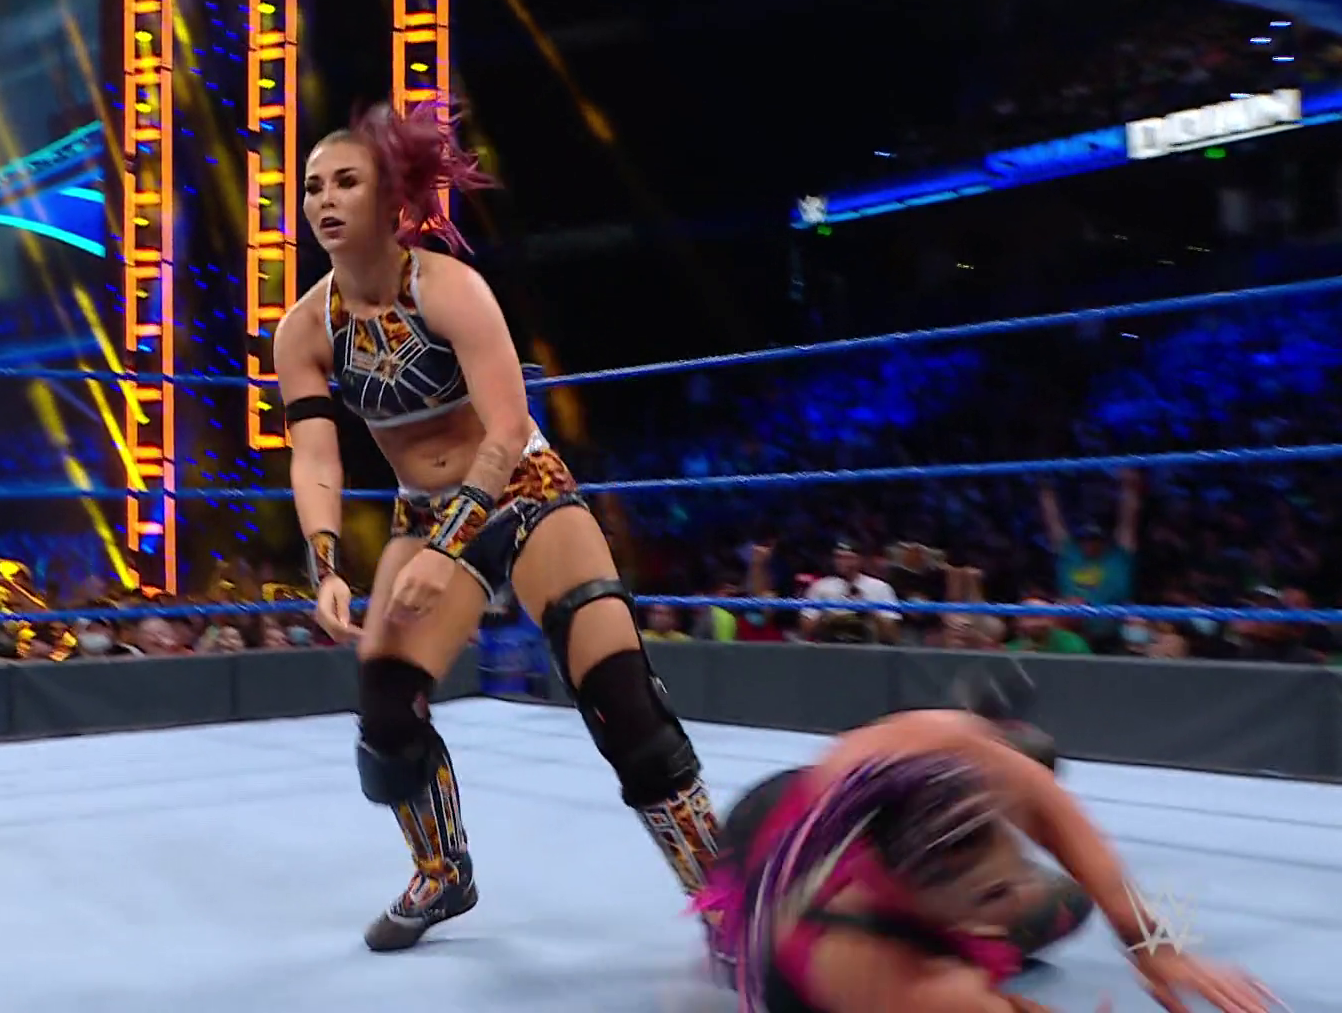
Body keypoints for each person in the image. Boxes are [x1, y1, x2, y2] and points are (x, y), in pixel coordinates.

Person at [273, 98, 723, 952]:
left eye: (345, 182)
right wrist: (325, 565)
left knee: (624, 704)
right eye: (312, 187)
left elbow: (509, 428)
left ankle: (725, 898)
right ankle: (443, 872)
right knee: (386, 714)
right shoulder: (303, 330)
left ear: (389, 195)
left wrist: (447, 551)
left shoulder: (450, 288)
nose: (324, 200)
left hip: (525, 490)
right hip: (422, 507)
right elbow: (316, 457)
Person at [700, 708, 1278, 1013]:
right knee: (1058, 905)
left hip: (807, 858)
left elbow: (1053, 811)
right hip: (777, 870)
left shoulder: (927, 747)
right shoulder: (905, 978)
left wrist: (1157, 947)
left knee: (1053, 895)